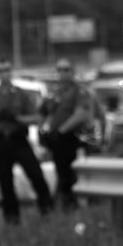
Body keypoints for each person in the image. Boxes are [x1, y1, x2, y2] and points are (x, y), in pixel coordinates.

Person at [0, 58, 53, 224]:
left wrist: (17, 118)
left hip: (18, 139)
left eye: (7, 70)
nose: (4, 74)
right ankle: (12, 218)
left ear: (11, 72)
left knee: (35, 174)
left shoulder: (21, 95)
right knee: (5, 181)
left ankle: (47, 209)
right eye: (1, 70)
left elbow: (36, 118)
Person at [39, 58, 91, 212]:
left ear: (73, 71)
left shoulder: (79, 91)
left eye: (66, 69)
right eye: (59, 69)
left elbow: (81, 114)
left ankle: (72, 206)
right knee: (60, 172)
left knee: (70, 174)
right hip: (56, 139)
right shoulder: (54, 92)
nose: (62, 73)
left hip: (71, 137)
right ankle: (63, 205)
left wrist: (61, 131)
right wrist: (43, 130)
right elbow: (44, 113)